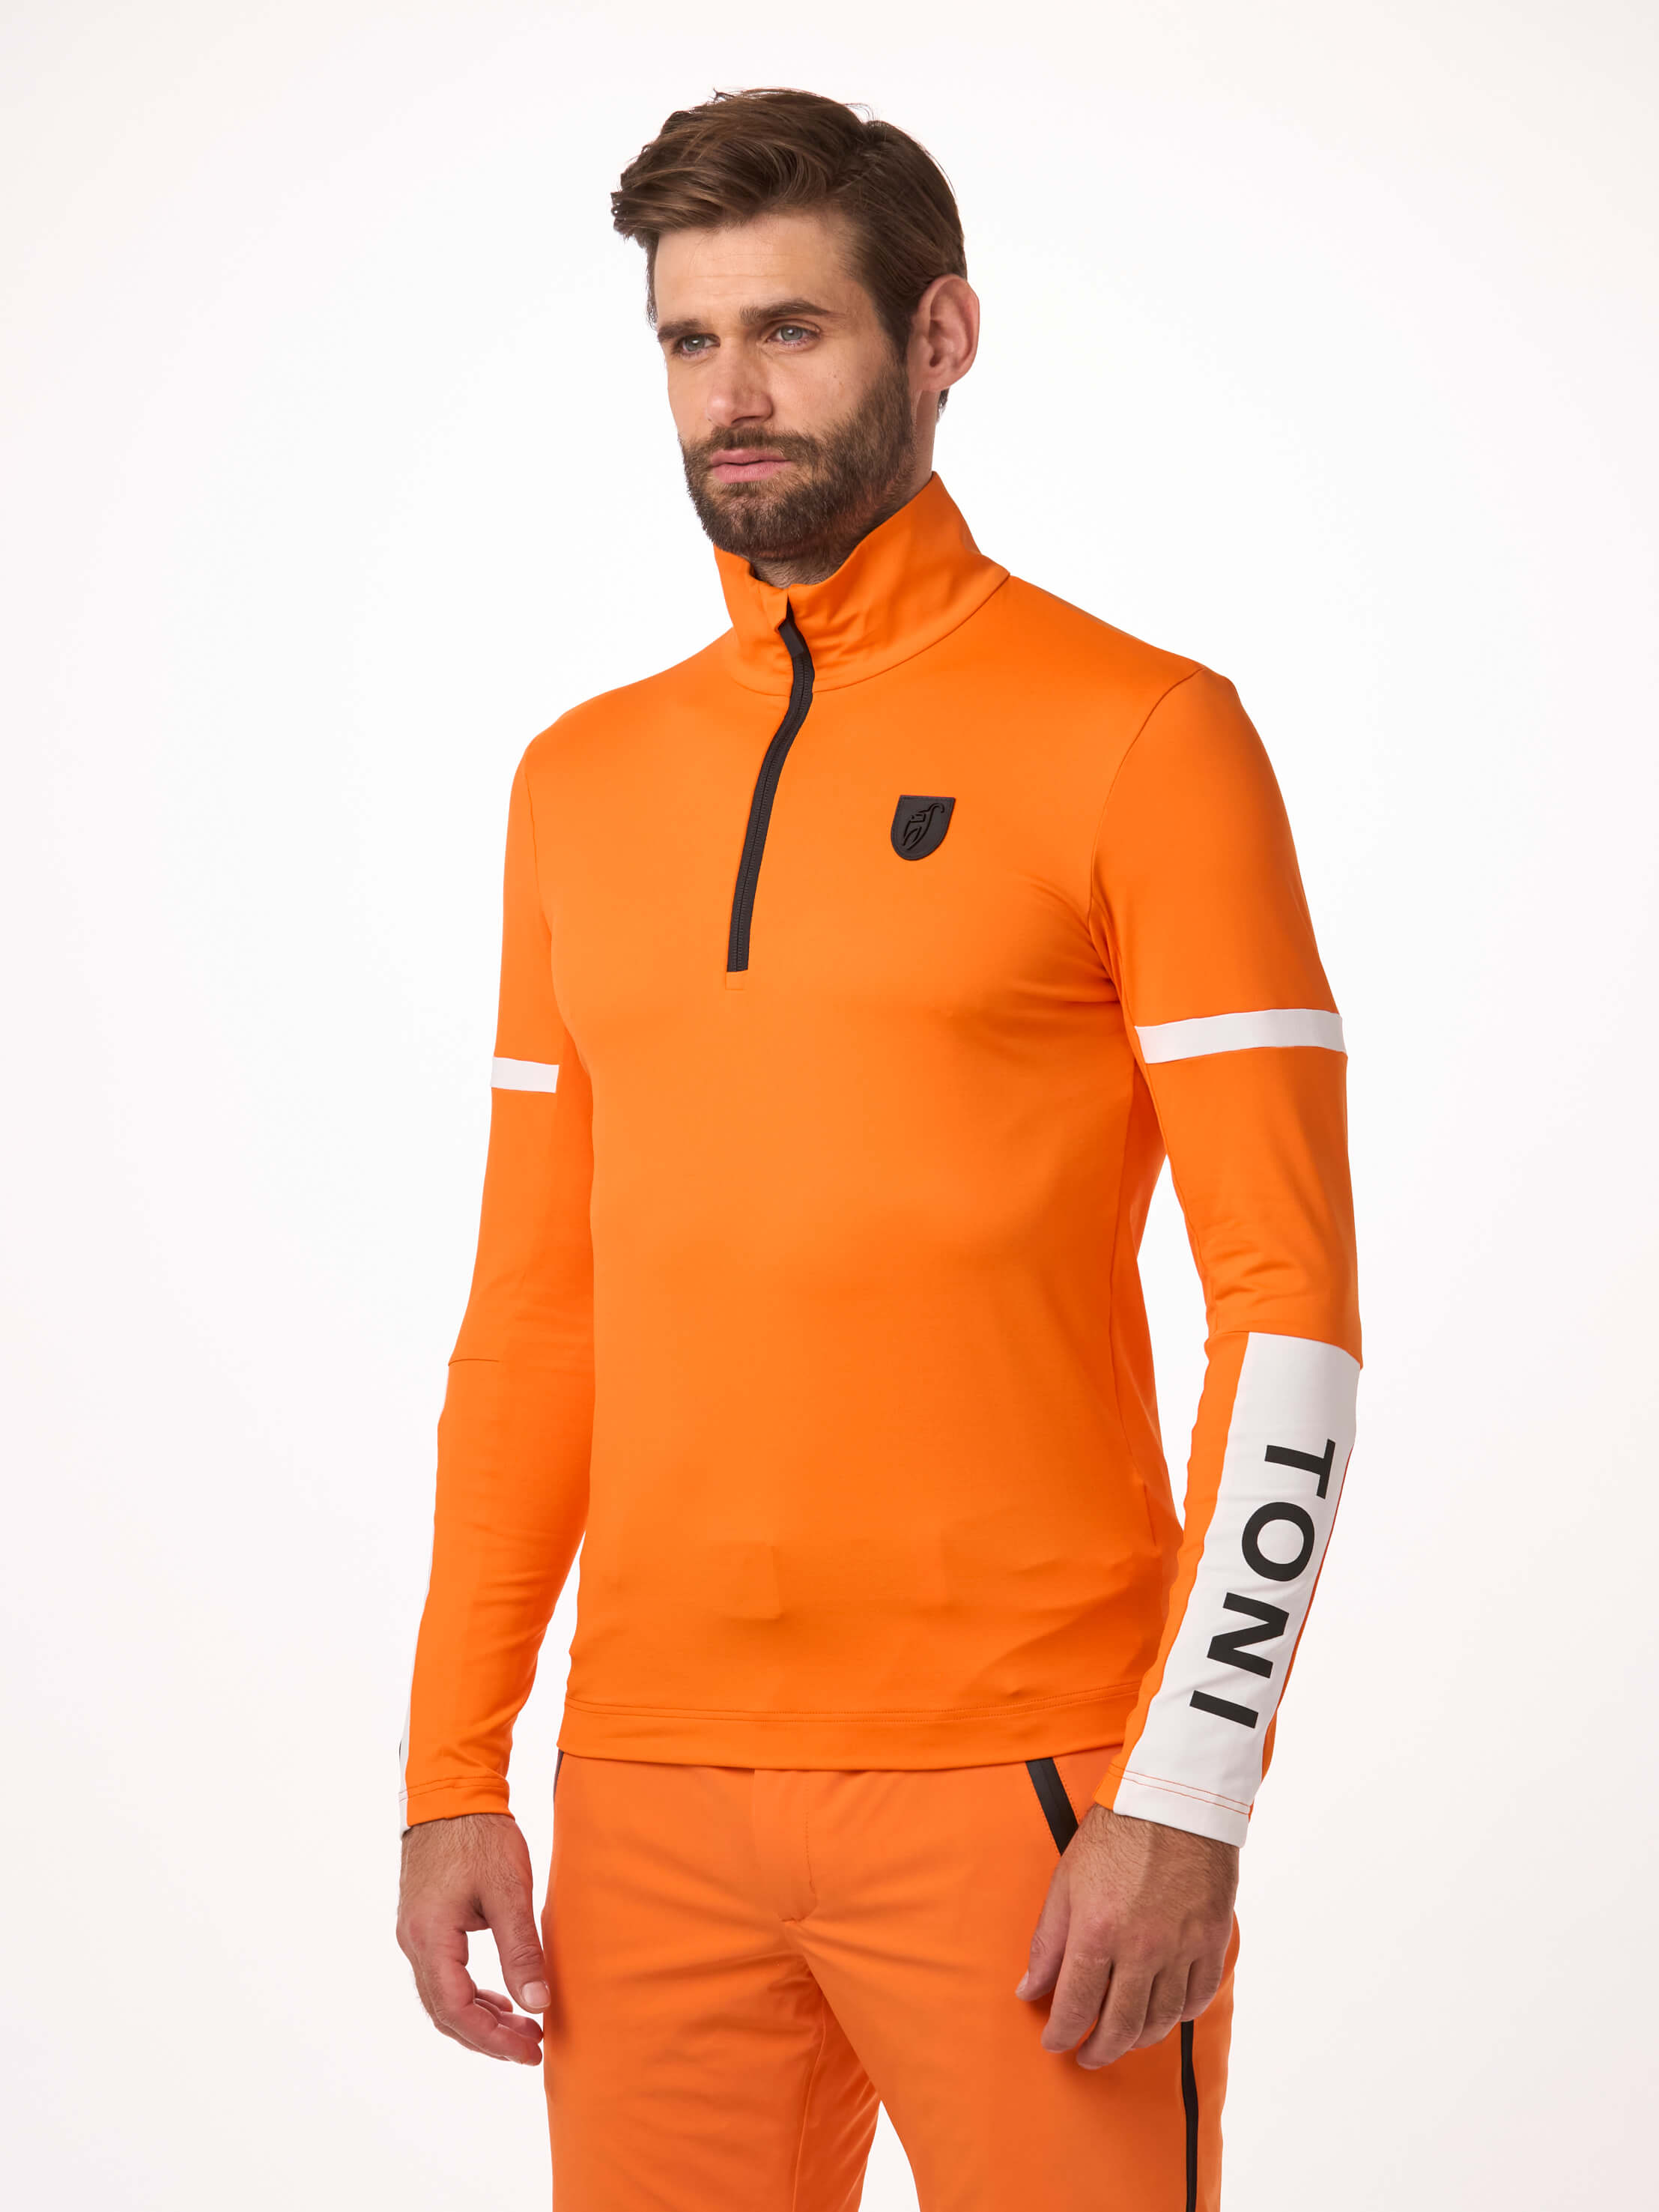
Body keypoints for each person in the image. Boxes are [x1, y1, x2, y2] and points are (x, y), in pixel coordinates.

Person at [395, 87, 1360, 2212]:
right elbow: (535, 1316)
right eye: (688, 339)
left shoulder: (1145, 736)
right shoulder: (579, 783)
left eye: (792, 330)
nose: (731, 397)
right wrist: (451, 1764)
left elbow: (1290, 1315)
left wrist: (1191, 1790)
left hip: (1028, 1784)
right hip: (648, 1784)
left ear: (941, 340)